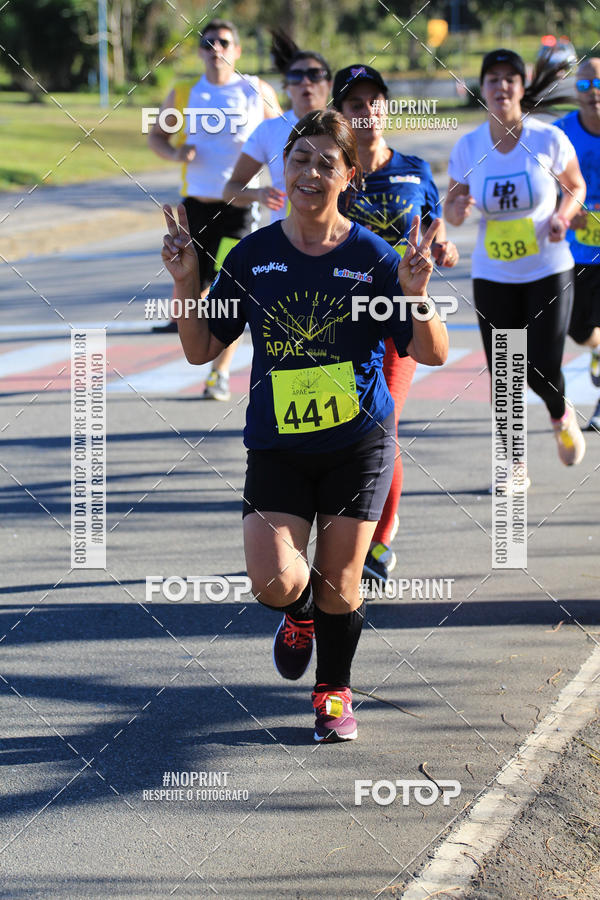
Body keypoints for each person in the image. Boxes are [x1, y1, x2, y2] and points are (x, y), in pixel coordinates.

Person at [161, 110, 448, 742]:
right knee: (275, 581)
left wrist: (417, 293)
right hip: (278, 446)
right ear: (282, 169)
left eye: (326, 163)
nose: (310, 173)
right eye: (298, 159)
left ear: (349, 176)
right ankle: (297, 615)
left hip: (357, 443)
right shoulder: (254, 255)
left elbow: (432, 353)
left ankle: (333, 693)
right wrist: (185, 282)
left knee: (341, 581)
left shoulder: (374, 257)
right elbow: (201, 348)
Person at [333, 63, 459, 584]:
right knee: (341, 427)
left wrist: (444, 247)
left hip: (398, 319)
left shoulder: (414, 168)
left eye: (375, 101)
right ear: (340, 114)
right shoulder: (331, 172)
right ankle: (343, 529)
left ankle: (379, 539)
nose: (367, 112)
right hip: (340, 321)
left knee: (382, 422)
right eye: (355, 105)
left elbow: (434, 229)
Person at [444, 49, 587, 481]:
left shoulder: (547, 139)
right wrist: (457, 209)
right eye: (493, 79)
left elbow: (575, 186)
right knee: (505, 372)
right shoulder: (469, 146)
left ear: (522, 88)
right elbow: (452, 208)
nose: (501, 86)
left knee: (543, 368)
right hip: (494, 273)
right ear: (482, 89)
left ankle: (560, 412)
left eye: (510, 78)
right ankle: (513, 463)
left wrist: (563, 216)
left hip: (548, 269)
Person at [148, 19, 281, 401]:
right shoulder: (185, 92)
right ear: (200, 51)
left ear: (236, 50)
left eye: (223, 42)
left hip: (240, 208)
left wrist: (274, 187)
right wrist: (176, 153)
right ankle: (200, 346)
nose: (215, 48)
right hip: (196, 206)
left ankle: (219, 374)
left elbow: (283, 139)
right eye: (208, 43)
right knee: (197, 289)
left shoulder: (256, 90)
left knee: (231, 290)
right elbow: (156, 136)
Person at [223, 30, 332, 221]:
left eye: (315, 74)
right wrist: (258, 194)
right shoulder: (269, 130)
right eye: (296, 76)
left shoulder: (345, 128)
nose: (306, 82)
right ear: (286, 87)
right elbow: (230, 191)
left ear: (329, 83)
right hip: (285, 234)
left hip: (335, 234)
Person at [555, 58, 600, 433]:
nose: (592, 93)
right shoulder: (562, 132)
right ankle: (597, 347)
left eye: (598, 84)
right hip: (574, 252)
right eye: (584, 85)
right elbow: (544, 183)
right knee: (576, 327)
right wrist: (568, 212)